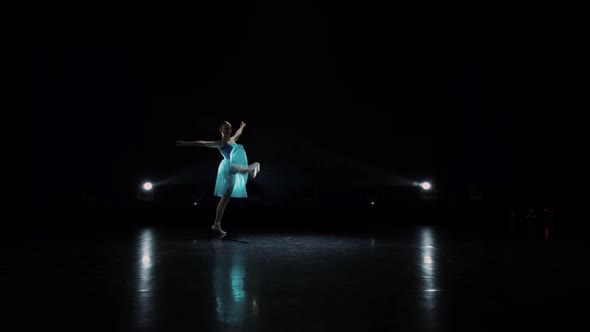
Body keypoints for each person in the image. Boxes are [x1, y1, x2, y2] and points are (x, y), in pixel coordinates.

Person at [176, 121, 260, 235]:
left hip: (234, 167)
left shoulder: (232, 139)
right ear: (221, 130)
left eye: (230, 128)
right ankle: (250, 168)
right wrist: (186, 143)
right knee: (242, 166)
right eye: (226, 129)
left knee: (225, 198)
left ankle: (216, 224)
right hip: (228, 168)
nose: (229, 130)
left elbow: (238, 133)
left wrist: (242, 127)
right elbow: (203, 143)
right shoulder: (220, 143)